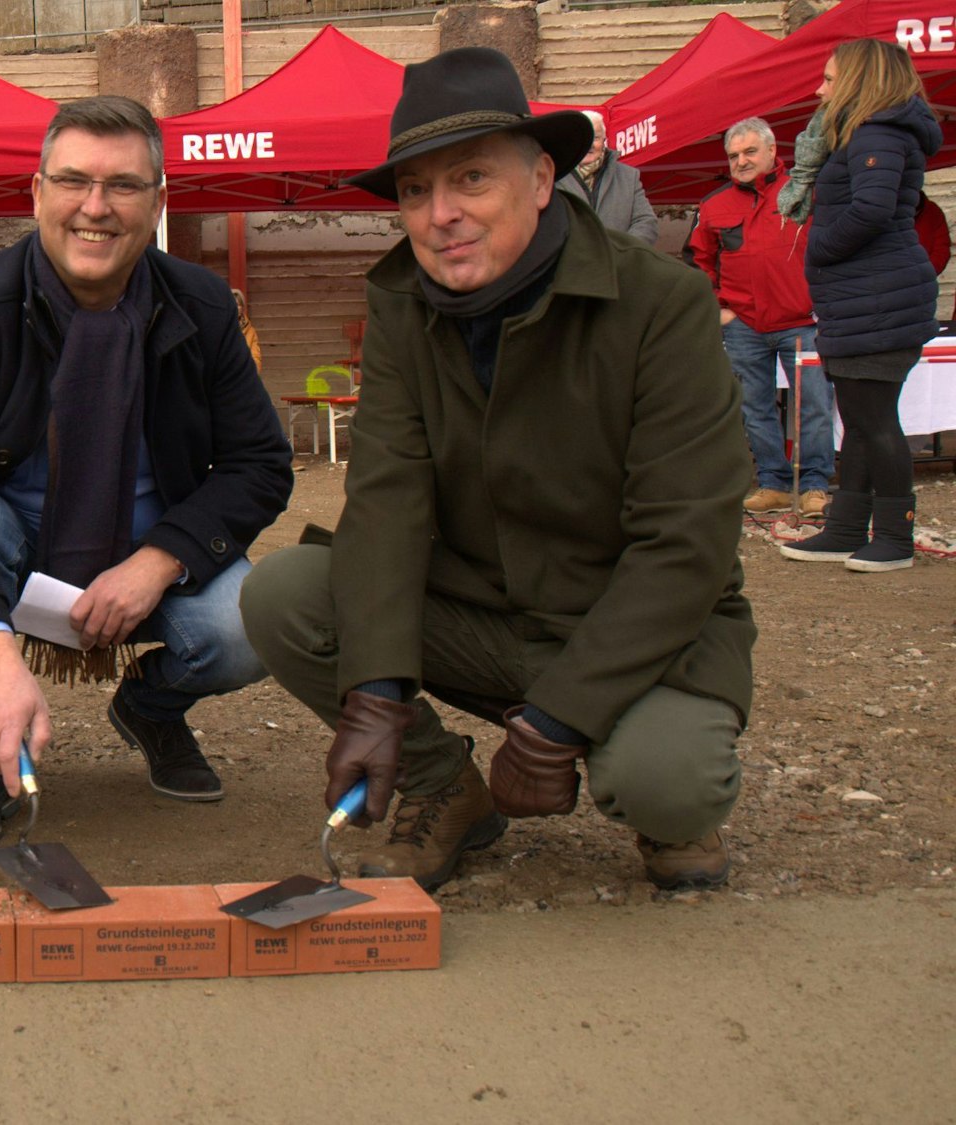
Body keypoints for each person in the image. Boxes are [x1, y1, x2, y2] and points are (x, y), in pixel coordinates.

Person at [239, 48, 754, 893]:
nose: (441, 214)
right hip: (485, 613)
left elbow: (686, 542)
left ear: (543, 178)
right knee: (285, 594)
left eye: (471, 179)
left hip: (631, 622)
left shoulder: (662, 303)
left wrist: (557, 721)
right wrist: (374, 694)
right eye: (414, 191)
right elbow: (387, 501)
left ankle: (660, 797)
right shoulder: (402, 302)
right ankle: (447, 788)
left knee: (669, 782)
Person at [0, 95, 294, 850]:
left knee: (258, 623)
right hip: (18, 544)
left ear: (159, 201)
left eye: (123, 186)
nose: (95, 208)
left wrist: (159, 559)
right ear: (37, 192)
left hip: (150, 543)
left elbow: (260, 464)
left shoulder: (203, 306)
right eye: (73, 181)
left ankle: (153, 708)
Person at [779, 39, 943, 573]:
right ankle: (848, 527)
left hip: (880, 296)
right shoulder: (867, 133)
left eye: (828, 79)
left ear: (858, 79)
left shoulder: (878, 133)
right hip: (864, 295)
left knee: (875, 421)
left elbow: (873, 210)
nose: (818, 89)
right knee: (861, 417)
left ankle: (894, 537)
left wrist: (820, 250)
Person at [685, 117, 834, 519]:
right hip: (744, 326)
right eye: (733, 156)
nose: (741, 161)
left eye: (750, 152)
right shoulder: (714, 205)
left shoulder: (805, 192)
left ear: (773, 151)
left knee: (815, 406)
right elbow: (697, 260)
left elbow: (835, 246)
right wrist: (718, 309)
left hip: (803, 321)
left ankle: (816, 486)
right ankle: (774, 485)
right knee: (754, 408)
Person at [554, 110, 660, 245]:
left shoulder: (628, 176)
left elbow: (646, 222)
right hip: (571, 263)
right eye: (584, 137)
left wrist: (622, 252)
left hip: (619, 263)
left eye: (596, 138)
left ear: (604, 141)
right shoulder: (554, 177)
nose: (590, 144)